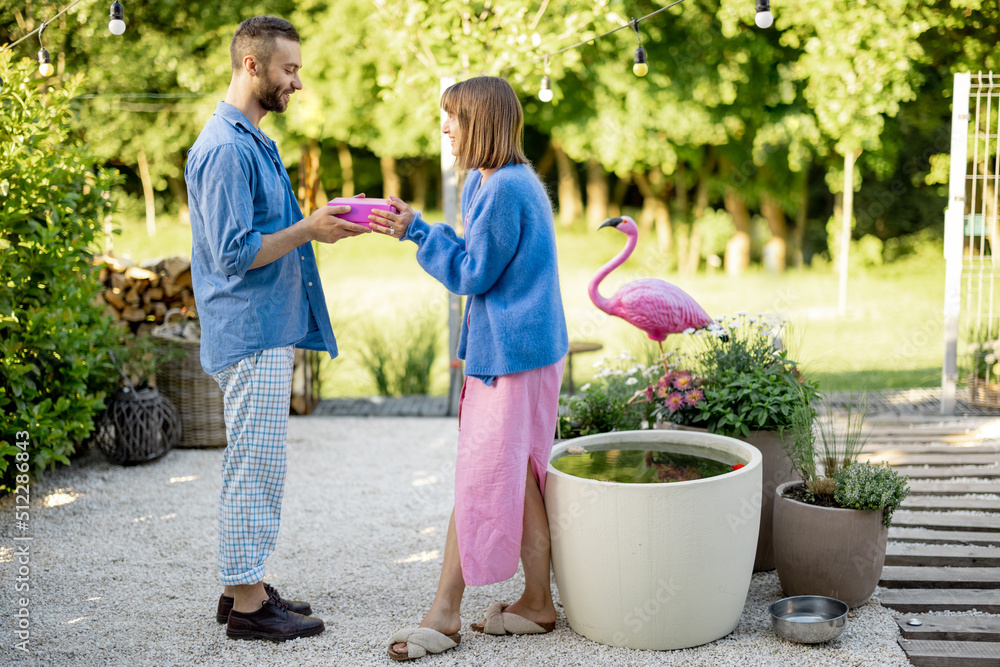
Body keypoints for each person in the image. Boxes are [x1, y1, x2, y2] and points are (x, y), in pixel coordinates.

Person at [185, 15, 371, 641]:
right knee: (254, 464)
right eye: (289, 69)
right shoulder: (224, 149)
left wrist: (317, 227)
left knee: (259, 460)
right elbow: (234, 253)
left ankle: (247, 587)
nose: (298, 81)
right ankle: (246, 607)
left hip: (267, 327)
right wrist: (308, 229)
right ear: (251, 66)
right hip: (250, 330)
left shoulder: (253, 138)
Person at [369, 76, 568, 661]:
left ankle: (446, 612)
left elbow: (474, 274)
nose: (446, 129)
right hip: (522, 354)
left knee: (480, 473)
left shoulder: (505, 187)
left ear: (482, 121)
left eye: (453, 117)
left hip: (512, 360)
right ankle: (536, 603)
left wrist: (417, 233)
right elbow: (487, 266)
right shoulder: (498, 181)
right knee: (524, 478)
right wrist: (428, 230)